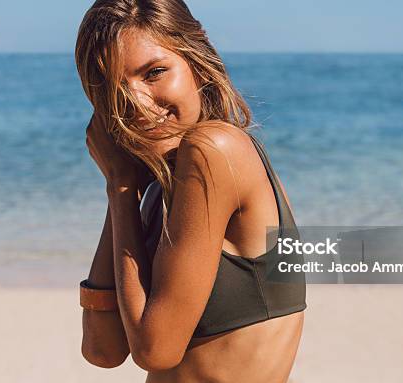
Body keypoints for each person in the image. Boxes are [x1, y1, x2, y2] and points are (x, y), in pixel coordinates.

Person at [75, 1, 306, 381]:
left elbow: (155, 350)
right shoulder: (154, 188)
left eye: (154, 72)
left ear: (197, 62)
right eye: (114, 90)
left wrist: (117, 182)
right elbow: (103, 350)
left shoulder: (215, 149)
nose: (136, 104)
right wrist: (123, 188)